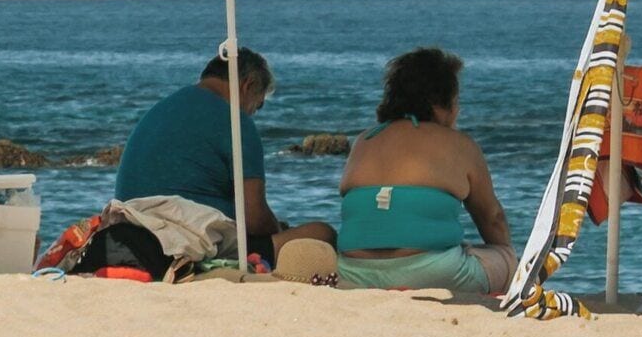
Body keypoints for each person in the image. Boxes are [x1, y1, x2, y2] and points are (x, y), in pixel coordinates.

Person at [329, 47, 515, 298]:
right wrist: (503, 253)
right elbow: (492, 218)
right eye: (456, 101)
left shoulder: (364, 140)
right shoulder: (459, 143)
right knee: (510, 261)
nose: (457, 110)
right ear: (439, 104)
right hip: (432, 273)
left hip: (354, 271)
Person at [111, 45, 319, 262]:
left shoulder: (164, 108)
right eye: (259, 106)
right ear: (248, 85)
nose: (253, 113)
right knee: (320, 234)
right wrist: (277, 229)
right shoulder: (236, 122)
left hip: (130, 231)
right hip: (185, 242)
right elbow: (254, 218)